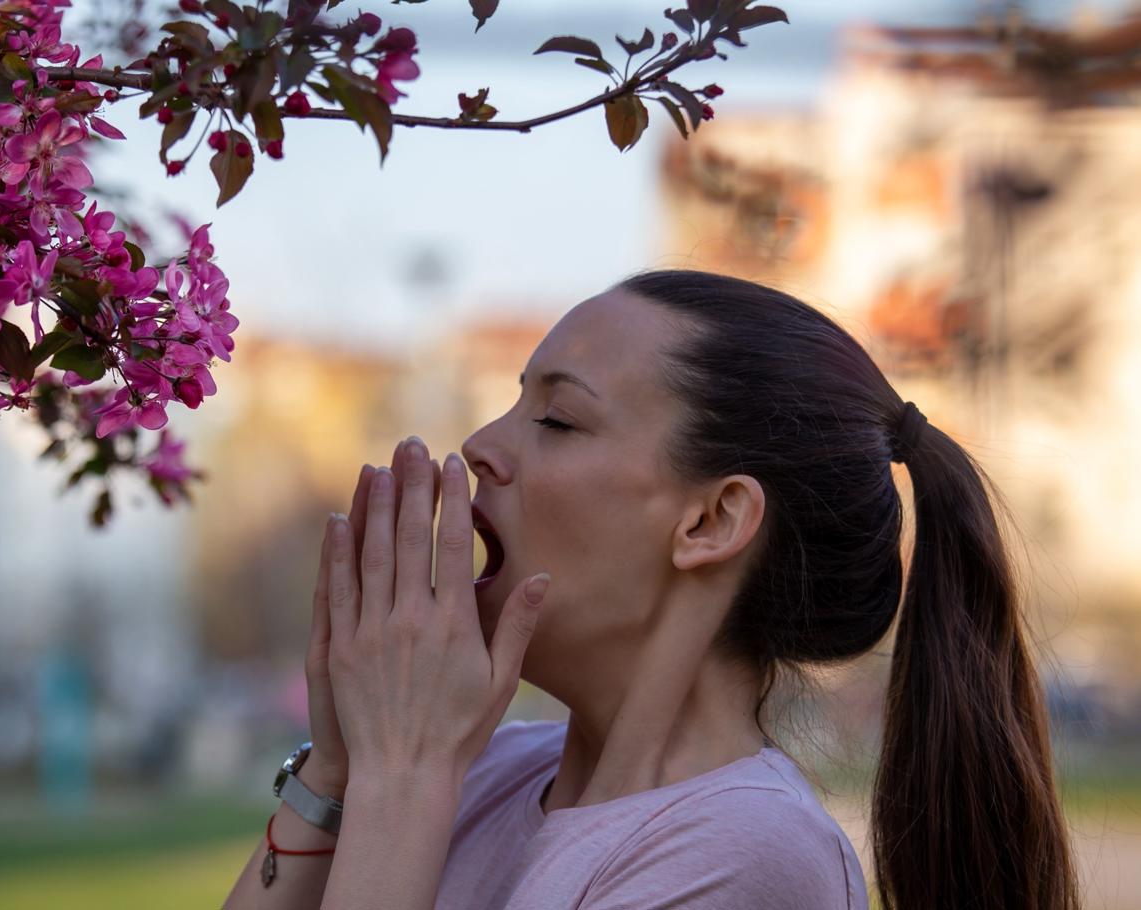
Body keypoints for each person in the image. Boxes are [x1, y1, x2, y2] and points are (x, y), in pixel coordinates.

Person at [222, 271, 1080, 910]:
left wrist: (402, 773)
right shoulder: (484, 770)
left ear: (711, 522)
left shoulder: (743, 854)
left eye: (557, 420)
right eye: (513, 404)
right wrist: (341, 769)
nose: (481, 445)